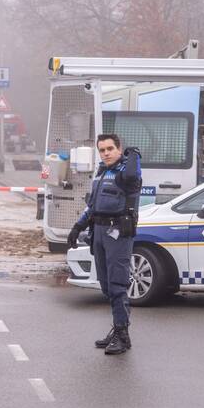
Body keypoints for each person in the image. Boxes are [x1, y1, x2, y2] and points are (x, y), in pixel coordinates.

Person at [68, 134, 142, 355]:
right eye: (102, 150)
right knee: (106, 286)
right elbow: (91, 207)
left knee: (118, 286)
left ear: (120, 149)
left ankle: (122, 334)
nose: (106, 153)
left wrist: (134, 156)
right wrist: (77, 227)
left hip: (118, 233)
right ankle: (117, 328)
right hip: (99, 232)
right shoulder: (101, 173)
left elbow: (132, 175)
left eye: (110, 148)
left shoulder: (127, 174)